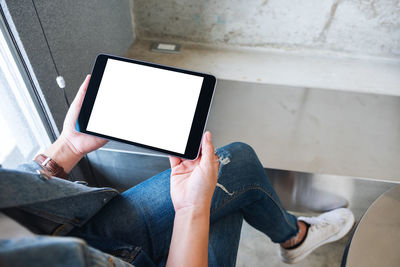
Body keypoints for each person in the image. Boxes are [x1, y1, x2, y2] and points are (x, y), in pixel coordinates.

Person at [0, 76, 355, 267]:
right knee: (217, 199)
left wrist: (67, 147)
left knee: (236, 164)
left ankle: (293, 237)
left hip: (84, 233)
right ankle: (294, 236)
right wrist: (191, 211)